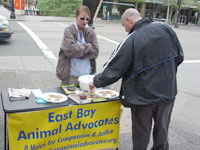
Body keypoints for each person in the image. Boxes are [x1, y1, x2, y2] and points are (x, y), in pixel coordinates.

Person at [89, 8, 184, 150]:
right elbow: (179, 56)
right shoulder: (165, 29)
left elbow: (114, 68)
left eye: (123, 26)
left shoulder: (133, 37)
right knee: (162, 131)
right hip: (167, 93)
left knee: (141, 134)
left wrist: (96, 81)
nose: (125, 30)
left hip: (143, 97)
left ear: (129, 20)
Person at [56, 5, 99, 87]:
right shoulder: (69, 30)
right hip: (71, 76)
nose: (85, 21)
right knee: (68, 99)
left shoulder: (91, 32)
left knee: (86, 99)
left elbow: (95, 52)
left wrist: (78, 52)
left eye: (87, 19)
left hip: (87, 77)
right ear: (76, 17)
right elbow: (70, 50)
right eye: (82, 18)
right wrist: (88, 46)